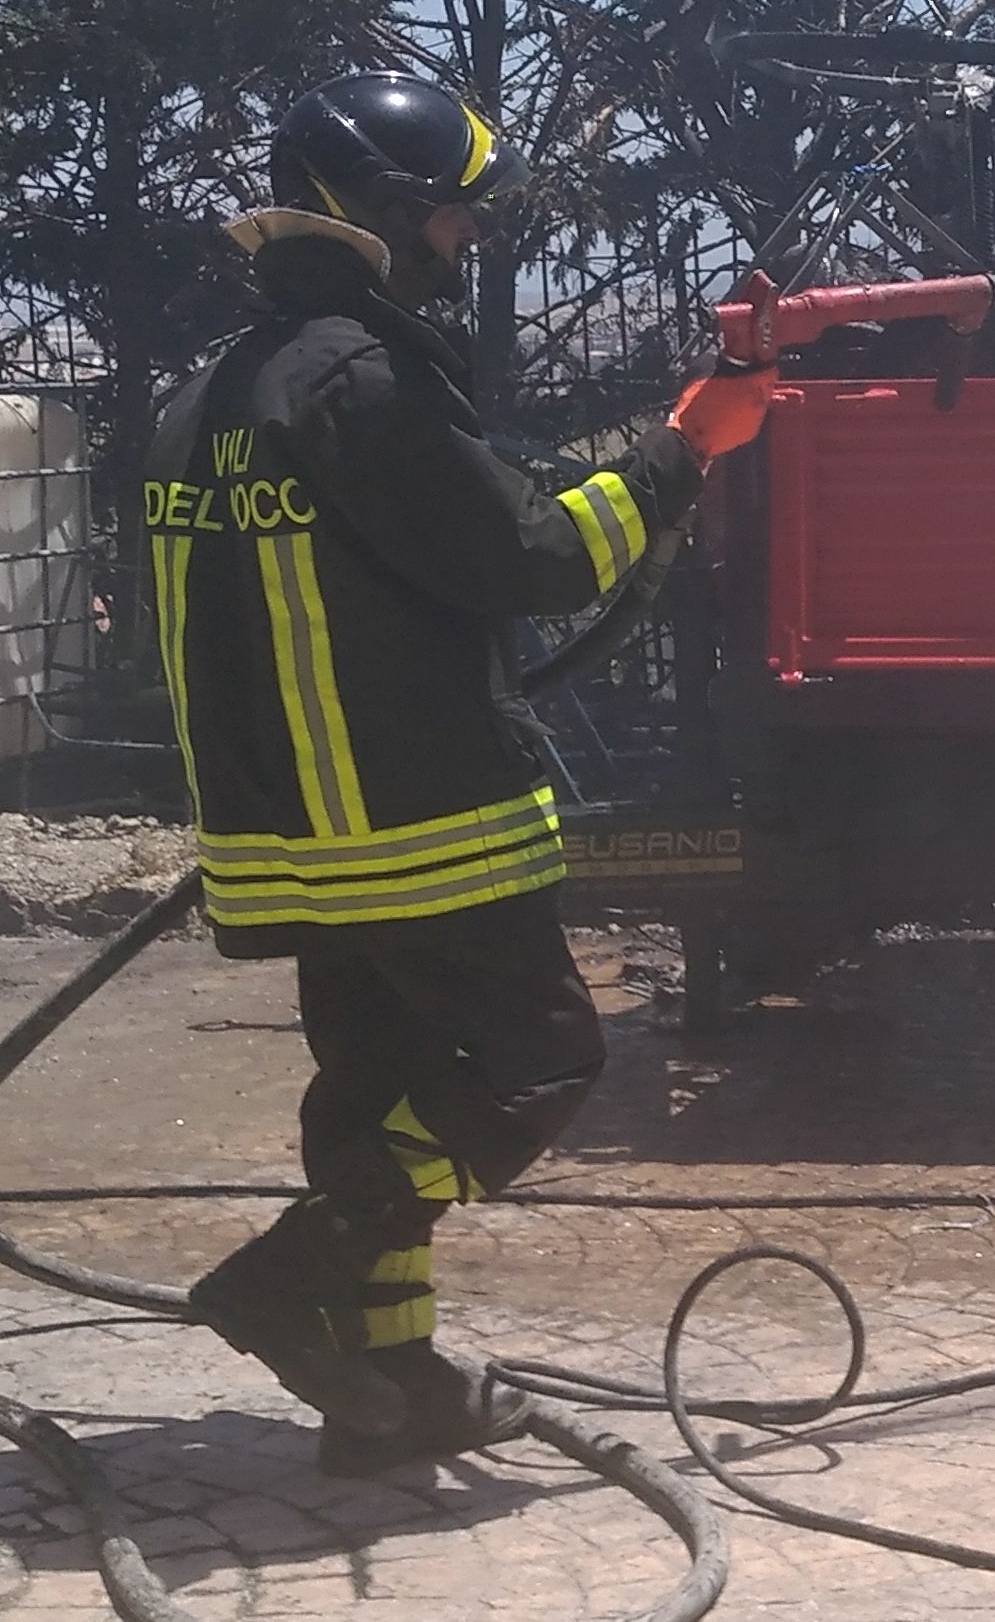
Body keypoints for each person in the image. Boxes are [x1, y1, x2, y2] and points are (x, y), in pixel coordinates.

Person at [143, 72, 767, 1472]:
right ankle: (288, 1274)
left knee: (378, 1089)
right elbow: (524, 555)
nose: (465, 246)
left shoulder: (210, 397)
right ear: (385, 212)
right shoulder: (357, 381)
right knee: (533, 1065)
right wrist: (679, 455)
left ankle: (387, 1386)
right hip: (414, 823)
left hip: (284, 838)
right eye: (452, 221)